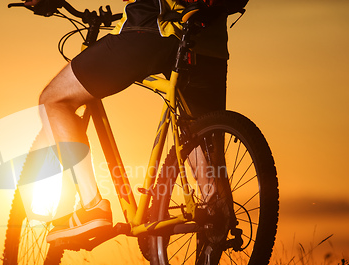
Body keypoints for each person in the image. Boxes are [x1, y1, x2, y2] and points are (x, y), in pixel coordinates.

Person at [23, 0, 230, 243]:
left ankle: (92, 208)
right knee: (207, 156)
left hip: (153, 30)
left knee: (53, 100)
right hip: (208, 43)